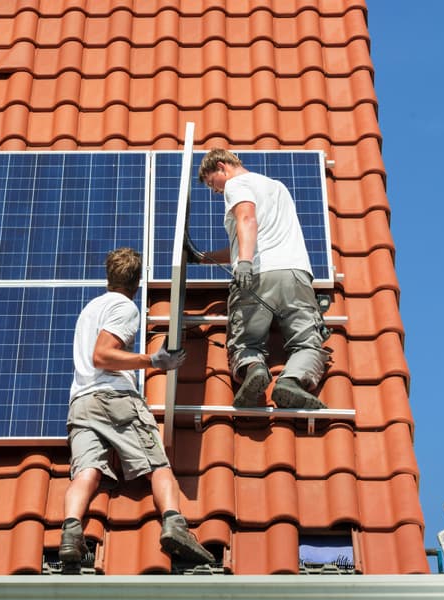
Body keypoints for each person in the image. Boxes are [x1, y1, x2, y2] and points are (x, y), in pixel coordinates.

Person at [59, 247, 215, 566]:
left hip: (81, 403)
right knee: (158, 464)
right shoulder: (124, 307)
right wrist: (153, 361)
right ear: (137, 281)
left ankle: (71, 533)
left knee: (87, 471)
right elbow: (102, 355)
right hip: (114, 398)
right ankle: (174, 524)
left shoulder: (90, 309)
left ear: (108, 276)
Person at [190, 148, 330, 410]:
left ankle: (253, 369)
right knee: (307, 341)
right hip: (295, 274)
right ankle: (291, 380)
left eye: (212, 183)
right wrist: (204, 258)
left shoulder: (236, 184)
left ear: (221, 167)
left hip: (257, 276)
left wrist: (244, 262)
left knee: (246, 341)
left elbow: (247, 217)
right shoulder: (277, 187)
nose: (215, 190)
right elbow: (253, 235)